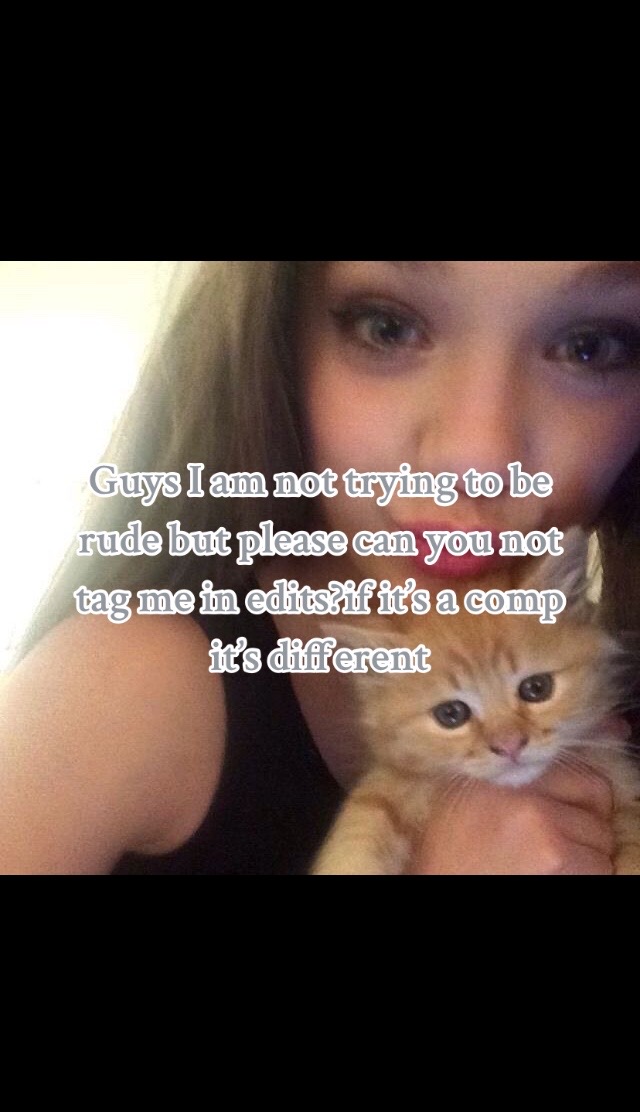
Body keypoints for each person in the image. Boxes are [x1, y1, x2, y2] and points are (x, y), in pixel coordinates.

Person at [4, 261, 640, 874]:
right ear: (277, 347)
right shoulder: (120, 683)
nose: (475, 460)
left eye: (590, 348)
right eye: (387, 327)